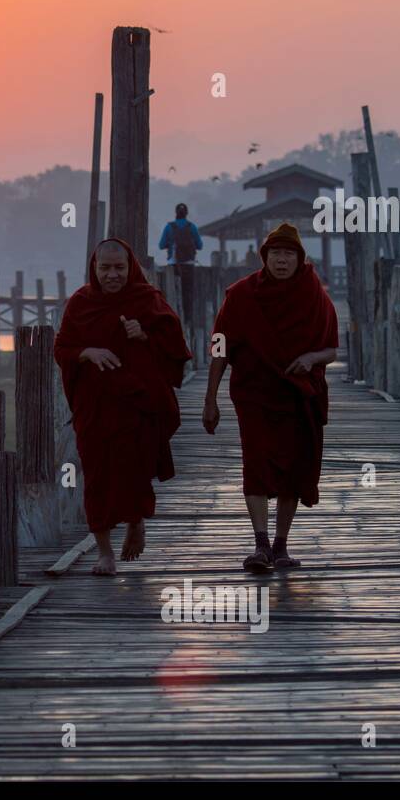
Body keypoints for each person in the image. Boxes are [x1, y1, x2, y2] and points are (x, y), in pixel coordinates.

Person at [202, 223, 339, 572]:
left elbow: (331, 350)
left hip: (298, 393)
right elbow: (220, 346)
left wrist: (311, 358)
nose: (281, 260)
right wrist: (210, 398)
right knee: (257, 463)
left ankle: (281, 546)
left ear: (299, 259)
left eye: (288, 254)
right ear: (264, 258)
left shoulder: (315, 296)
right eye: (275, 253)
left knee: (294, 468)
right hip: (255, 393)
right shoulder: (242, 295)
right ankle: (260, 544)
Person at [54, 238, 192, 575]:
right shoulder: (81, 303)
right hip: (96, 404)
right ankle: (105, 553)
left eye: (119, 267)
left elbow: (176, 345)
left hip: (139, 401)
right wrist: (89, 352)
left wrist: (145, 335)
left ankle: (135, 520)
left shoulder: (147, 299)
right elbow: (63, 348)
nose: (112, 275)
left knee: (136, 467)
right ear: (95, 269)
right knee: (97, 475)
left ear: (130, 267)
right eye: (105, 268)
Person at [159, 203, 202, 322]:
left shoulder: (169, 227)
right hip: (189, 264)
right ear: (186, 214)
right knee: (188, 292)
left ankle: (173, 317)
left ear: (176, 213)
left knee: (174, 291)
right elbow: (200, 245)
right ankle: (188, 319)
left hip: (174, 264)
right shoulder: (191, 227)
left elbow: (161, 245)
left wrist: (171, 244)